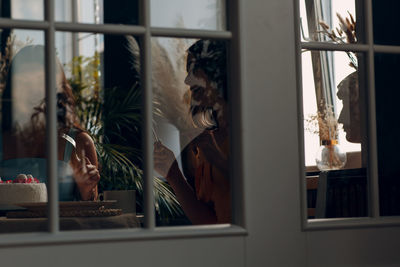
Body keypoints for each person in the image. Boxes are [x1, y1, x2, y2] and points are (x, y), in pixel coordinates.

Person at [0, 45, 100, 201]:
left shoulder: (78, 142)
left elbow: (92, 208)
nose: (32, 91)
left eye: (40, 82)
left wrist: (87, 188)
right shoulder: (2, 140)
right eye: (23, 82)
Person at [154, 39, 230, 224]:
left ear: (218, 72)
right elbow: (208, 222)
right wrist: (173, 174)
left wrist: (216, 157)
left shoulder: (250, 133)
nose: (187, 80)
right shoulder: (209, 139)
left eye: (194, 68)